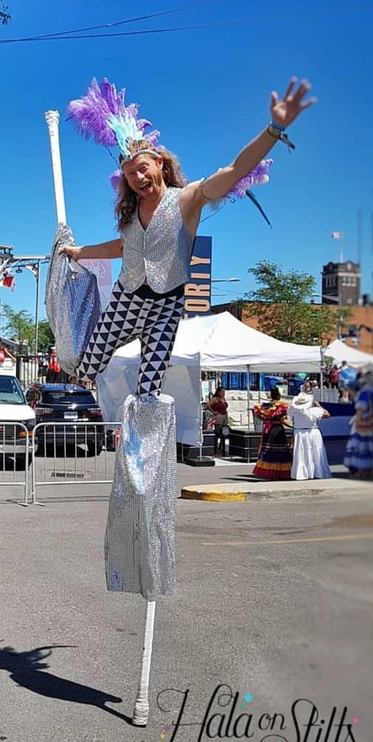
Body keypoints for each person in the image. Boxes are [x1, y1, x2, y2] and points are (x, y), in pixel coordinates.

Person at [60, 76, 315, 396]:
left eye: (142, 168)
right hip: (127, 299)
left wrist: (274, 129)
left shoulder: (187, 199)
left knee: (148, 391)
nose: (138, 177)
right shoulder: (131, 212)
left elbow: (235, 170)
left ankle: (144, 443)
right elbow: (122, 247)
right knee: (86, 366)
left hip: (167, 306)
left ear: (158, 163)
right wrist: (80, 251)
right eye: (130, 173)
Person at [252, 387, 292, 480]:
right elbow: (283, 419)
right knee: (280, 450)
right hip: (277, 429)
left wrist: (265, 419)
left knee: (269, 449)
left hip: (269, 430)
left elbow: (256, 414)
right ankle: (280, 472)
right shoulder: (281, 406)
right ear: (278, 395)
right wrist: (291, 426)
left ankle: (270, 472)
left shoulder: (266, 406)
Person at [289, 393, 331, 480]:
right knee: (315, 451)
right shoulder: (315, 410)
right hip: (312, 432)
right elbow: (327, 415)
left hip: (300, 432)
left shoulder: (294, 410)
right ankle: (317, 472)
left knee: (302, 452)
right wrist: (319, 405)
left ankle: (303, 473)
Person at [344, 365, 373, 478]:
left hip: (364, 423)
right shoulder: (365, 392)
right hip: (367, 422)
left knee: (361, 448)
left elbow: (360, 409)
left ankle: (361, 471)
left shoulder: (365, 393)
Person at [207, 386, 230, 457]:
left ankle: (221, 446)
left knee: (225, 431)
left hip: (225, 415)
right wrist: (213, 412)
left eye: (224, 392)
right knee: (218, 431)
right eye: (222, 392)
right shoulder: (215, 399)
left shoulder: (223, 399)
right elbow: (208, 405)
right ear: (218, 392)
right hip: (219, 416)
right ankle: (215, 446)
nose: (223, 393)